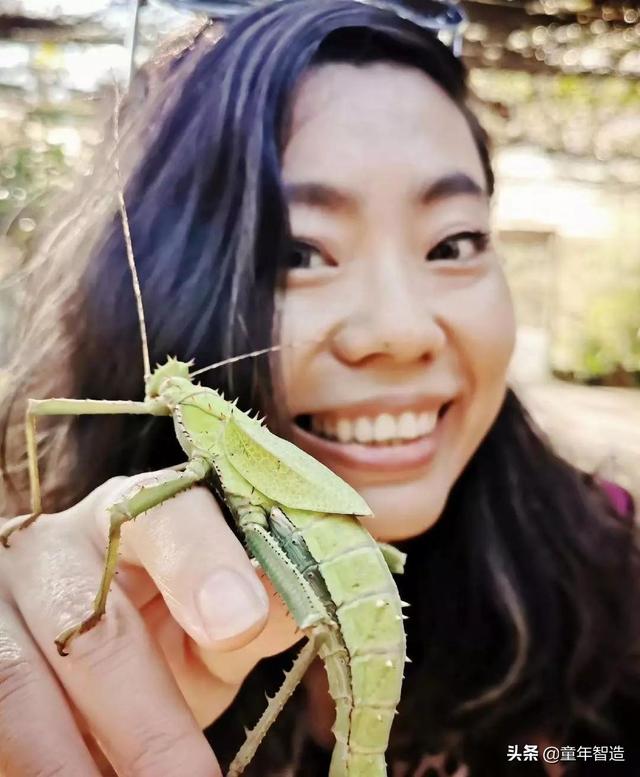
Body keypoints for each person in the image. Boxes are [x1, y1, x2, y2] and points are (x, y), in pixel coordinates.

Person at [0, 2, 638, 776]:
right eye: (298, 251)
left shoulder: (620, 569)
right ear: (170, 291)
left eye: (456, 241)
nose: (401, 331)